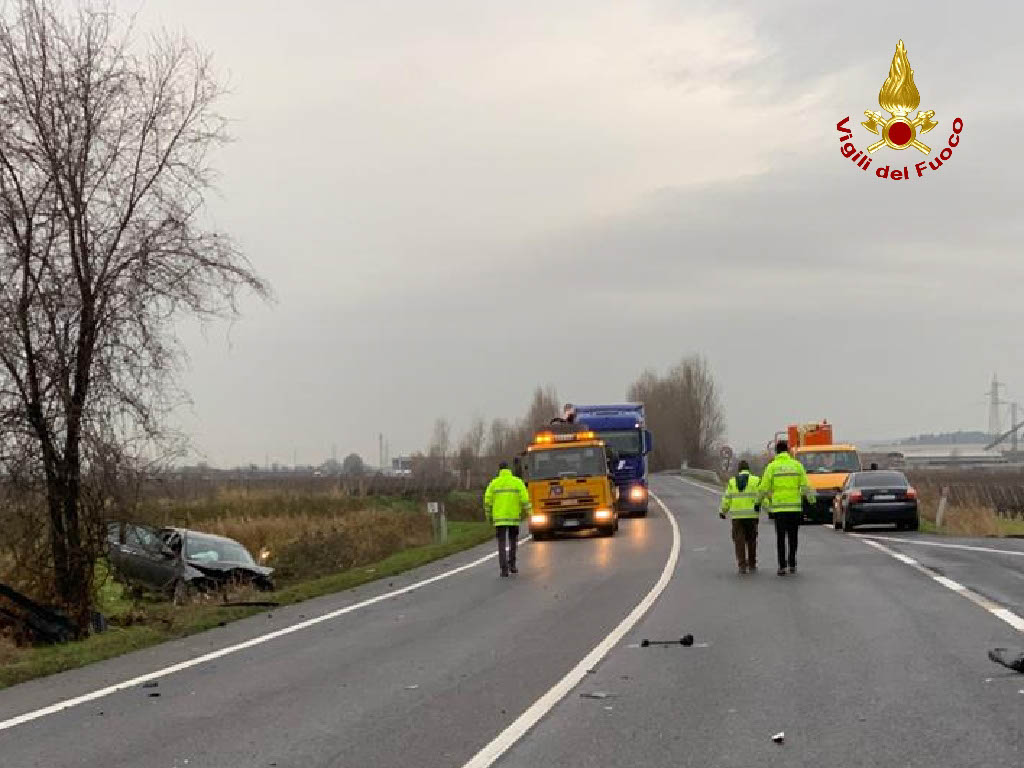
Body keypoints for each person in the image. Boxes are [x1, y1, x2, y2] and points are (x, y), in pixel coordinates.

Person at [758, 440, 815, 576]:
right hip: (794, 508)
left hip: (779, 509)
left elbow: (763, 488)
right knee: (793, 536)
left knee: (781, 538)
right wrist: (811, 501)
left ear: (777, 452)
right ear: (788, 451)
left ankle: (782, 566)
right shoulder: (797, 466)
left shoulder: (772, 467)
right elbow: (806, 486)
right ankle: (792, 563)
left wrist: (758, 502)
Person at [483, 461, 531, 577]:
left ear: (499, 470)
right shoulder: (517, 482)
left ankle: (504, 569)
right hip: (513, 517)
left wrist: (488, 517)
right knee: (513, 541)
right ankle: (512, 565)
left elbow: (487, 501)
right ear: (508, 469)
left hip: (499, 519)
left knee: (501, 543)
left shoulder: (494, 483)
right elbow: (525, 499)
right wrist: (530, 513)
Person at [719, 460, 761, 574]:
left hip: (737, 517)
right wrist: (769, 508)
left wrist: (723, 511)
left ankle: (742, 565)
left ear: (739, 470)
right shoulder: (756, 480)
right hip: (752, 516)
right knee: (752, 540)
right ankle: (752, 564)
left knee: (739, 541)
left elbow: (727, 498)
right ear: (748, 469)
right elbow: (761, 496)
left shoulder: (732, 482)